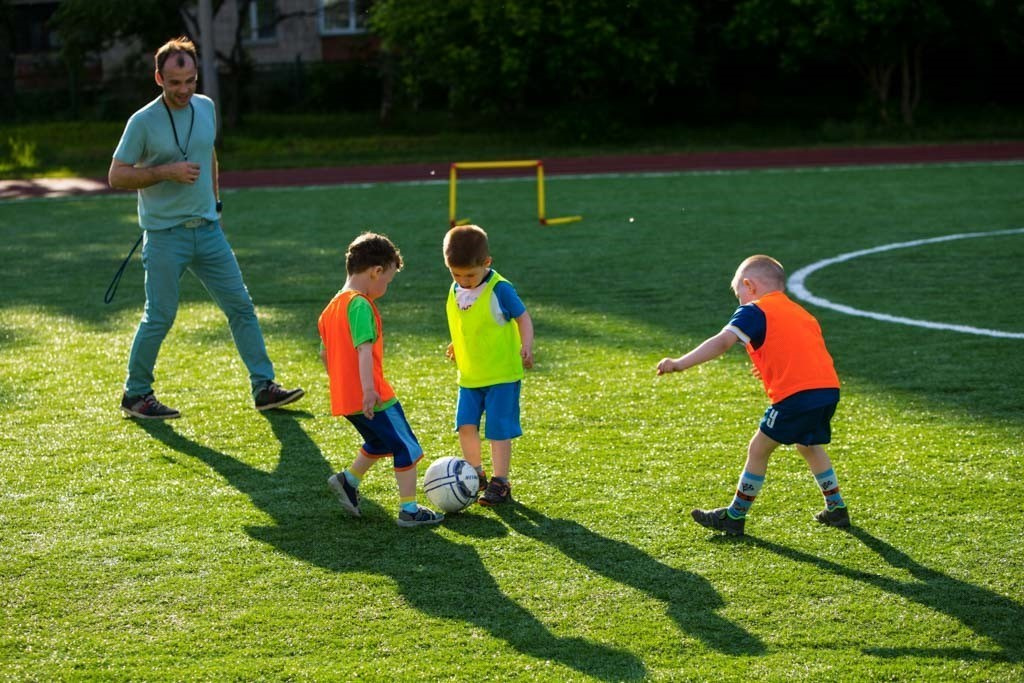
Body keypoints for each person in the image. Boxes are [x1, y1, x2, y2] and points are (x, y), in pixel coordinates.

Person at [109, 36, 303, 419]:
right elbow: (116, 175)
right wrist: (166, 171)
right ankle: (136, 395)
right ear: (159, 78)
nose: (183, 90)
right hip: (165, 236)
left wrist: (215, 203)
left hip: (209, 231)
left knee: (242, 307)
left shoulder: (206, 107)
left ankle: (263, 387)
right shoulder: (142, 121)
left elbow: (209, 154)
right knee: (160, 316)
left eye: (190, 81)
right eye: (175, 82)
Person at [656, 255, 850, 536]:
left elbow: (722, 342)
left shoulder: (754, 311)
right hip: (827, 390)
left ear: (750, 285)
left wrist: (679, 363)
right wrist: (773, 366)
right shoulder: (801, 312)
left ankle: (734, 516)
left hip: (796, 396)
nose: (740, 302)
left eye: (739, 295)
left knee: (758, 449)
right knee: (808, 445)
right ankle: (836, 509)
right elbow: (802, 350)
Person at [320, 232, 443, 528]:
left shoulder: (329, 309)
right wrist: (369, 390)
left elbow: (325, 355)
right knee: (407, 447)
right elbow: (364, 350)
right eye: (387, 280)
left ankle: (348, 481)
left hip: (344, 398)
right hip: (373, 395)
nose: (386, 286)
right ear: (376, 271)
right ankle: (409, 510)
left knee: (378, 441)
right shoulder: (359, 304)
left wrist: (348, 387)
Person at [443, 225, 534, 506]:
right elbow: (467, 323)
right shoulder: (455, 288)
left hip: (501, 374)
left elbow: (523, 317)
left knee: (497, 429)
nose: (464, 280)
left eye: (470, 275)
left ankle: (500, 482)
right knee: (466, 426)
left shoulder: (500, 290)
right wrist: (456, 343)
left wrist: (527, 345)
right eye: (456, 274)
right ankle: (476, 475)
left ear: (487, 263)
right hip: (470, 375)